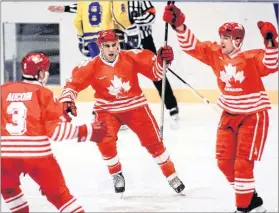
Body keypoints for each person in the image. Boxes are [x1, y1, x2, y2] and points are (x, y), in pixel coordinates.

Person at [163, 4, 278, 213]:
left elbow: (271, 64)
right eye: (221, 36)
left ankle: (243, 209)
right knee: (225, 163)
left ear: (236, 41)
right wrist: (179, 25)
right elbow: (194, 47)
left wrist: (270, 42)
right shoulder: (216, 54)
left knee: (243, 165)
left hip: (253, 117)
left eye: (225, 37)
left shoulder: (252, 57)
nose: (221, 40)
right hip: (228, 116)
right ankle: (252, 202)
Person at [59, 30, 185, 195]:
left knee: (153, 141)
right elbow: (72, 84)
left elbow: (156, 74)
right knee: (105, 140)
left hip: (136, 107)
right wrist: (68, 99)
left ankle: (171, 175)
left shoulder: (132, 56)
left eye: (114, 45)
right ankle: (116, 173)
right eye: (106, 46)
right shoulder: (91, 66)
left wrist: (162, 61)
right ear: (100, 47)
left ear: (118, 44)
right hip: (106, 110)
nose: (111, 50)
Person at [1, 52, 107, 213]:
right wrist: (88, 131)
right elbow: (56, 132)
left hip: (4, 158)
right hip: (37, 157)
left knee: (10, 191)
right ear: (41, 73)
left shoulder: (3, 90)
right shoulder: (44, 94)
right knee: (60, 197)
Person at [113, 1, 180, 126]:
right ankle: (121, 110)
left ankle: (171, 105)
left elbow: (151, 15)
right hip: (124, 43)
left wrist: (132, 21)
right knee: (123, 77)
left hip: (145, 41)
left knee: (157, 74)